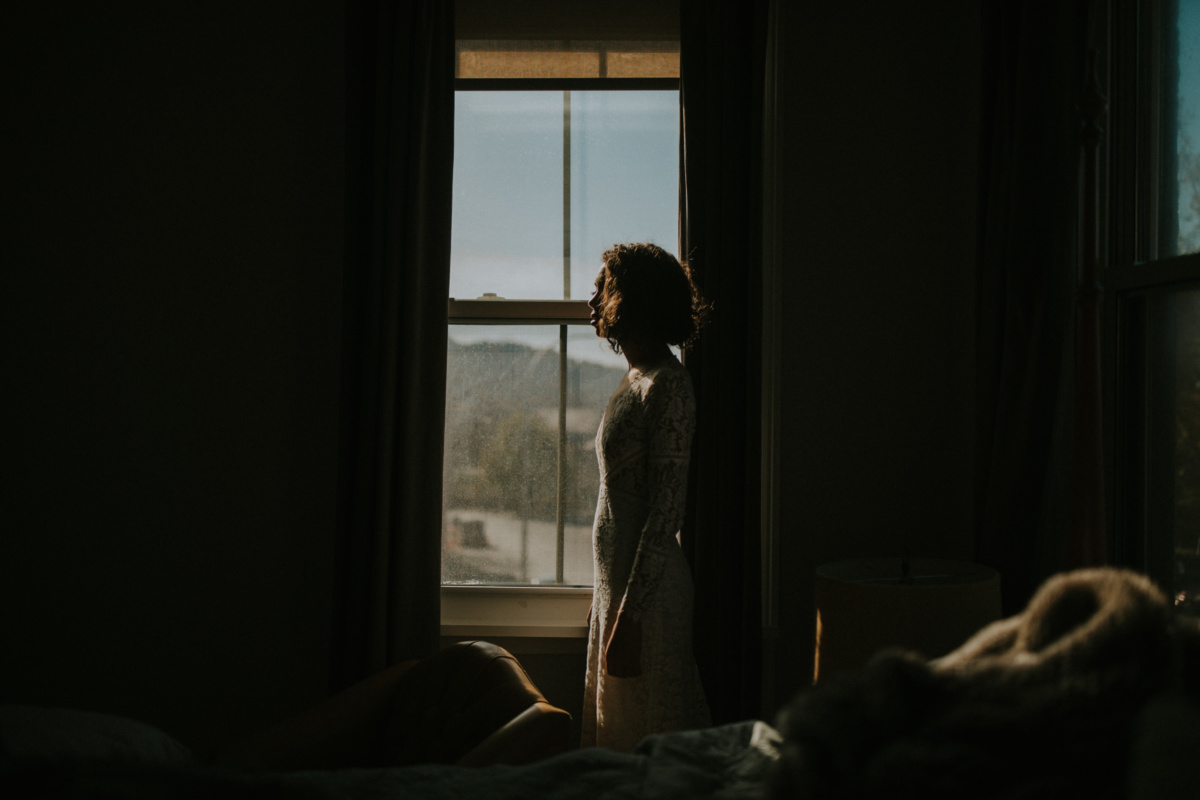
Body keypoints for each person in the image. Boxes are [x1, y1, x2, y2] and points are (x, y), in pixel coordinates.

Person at [579, 242, 711, 753]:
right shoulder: (635, 378)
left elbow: (664, 515)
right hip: (620, 593)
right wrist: (602, 602)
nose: (591, 303)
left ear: (628, 299)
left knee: (649, 746)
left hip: (648, 604)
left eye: (601, 289)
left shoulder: (669, 384)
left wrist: (630, 617)